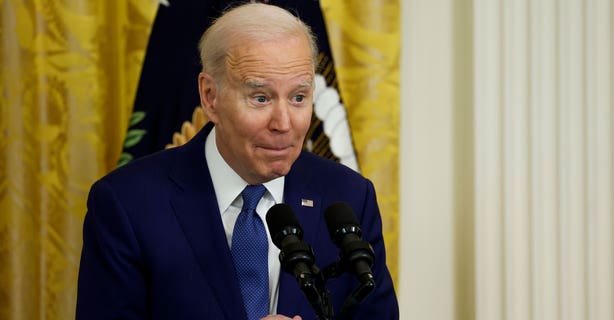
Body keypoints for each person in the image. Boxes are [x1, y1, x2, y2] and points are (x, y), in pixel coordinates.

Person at [76, 3, 398, 320]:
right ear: (210, 97)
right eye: (261, 98)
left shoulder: (350, 197)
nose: (284, 123)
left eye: (298, 97)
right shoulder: (127, 205)